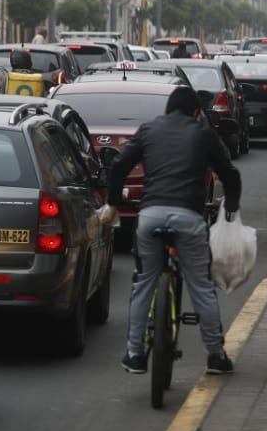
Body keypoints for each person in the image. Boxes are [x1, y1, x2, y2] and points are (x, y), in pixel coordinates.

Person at [104, 85, 242, 376]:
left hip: (150, 216)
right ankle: (216, 356)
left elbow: (118, 166)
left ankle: (134, 354)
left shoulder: (148, 129)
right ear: (195, 113)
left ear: (166, 109)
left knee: (144, 282)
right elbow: (229, 173)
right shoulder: (203, 134)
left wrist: (113, 203)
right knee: (202, 287)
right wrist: (230, 206)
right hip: (189, 218)